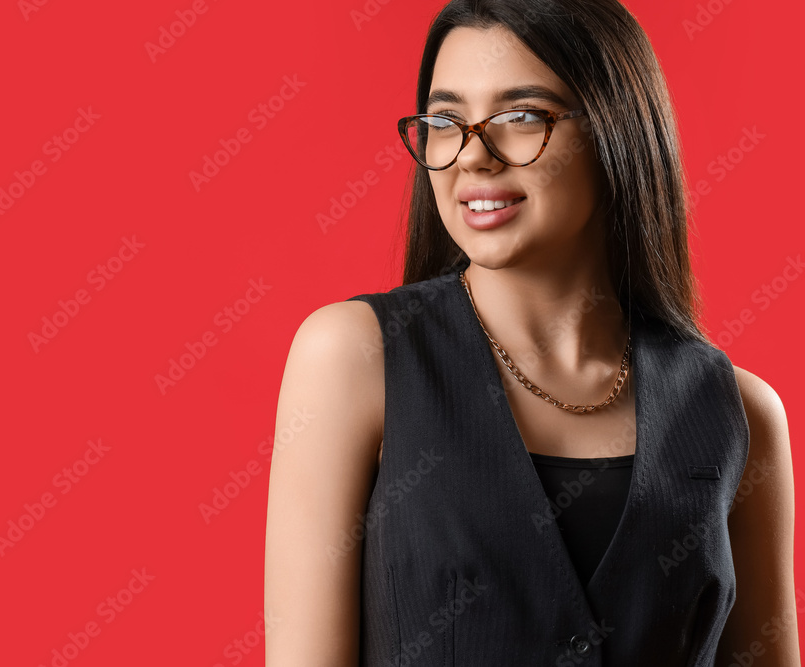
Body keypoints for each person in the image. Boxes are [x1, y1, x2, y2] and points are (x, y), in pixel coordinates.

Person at [263, 0, 797, 665]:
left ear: (615, 131)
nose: (472, 156)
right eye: (445, 121)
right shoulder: (353, 357)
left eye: (520, 117)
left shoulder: (738, 414)